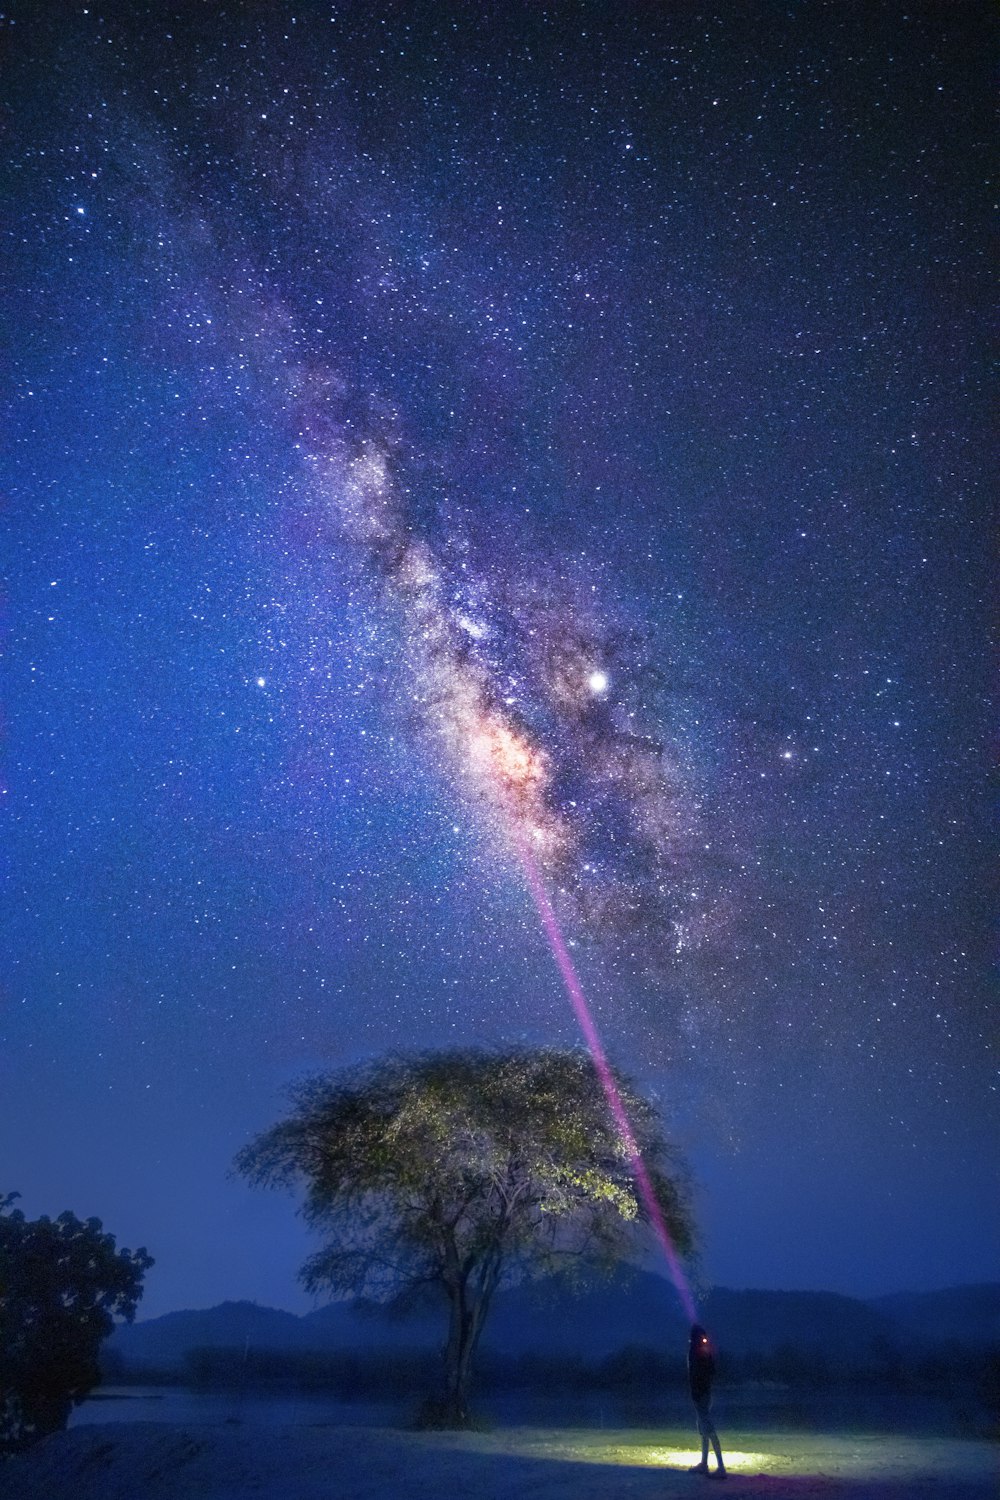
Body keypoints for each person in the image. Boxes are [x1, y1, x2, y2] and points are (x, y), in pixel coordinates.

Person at [688, 1323, 726, 1478]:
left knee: (708, 1428)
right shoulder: (703, 1351)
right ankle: (704, 1463)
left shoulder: (698, 1352)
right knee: (703, 1428)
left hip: (701, 1394)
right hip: (703, 1394)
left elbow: (699, 1373)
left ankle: (721, 1467)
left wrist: (698, 1391)